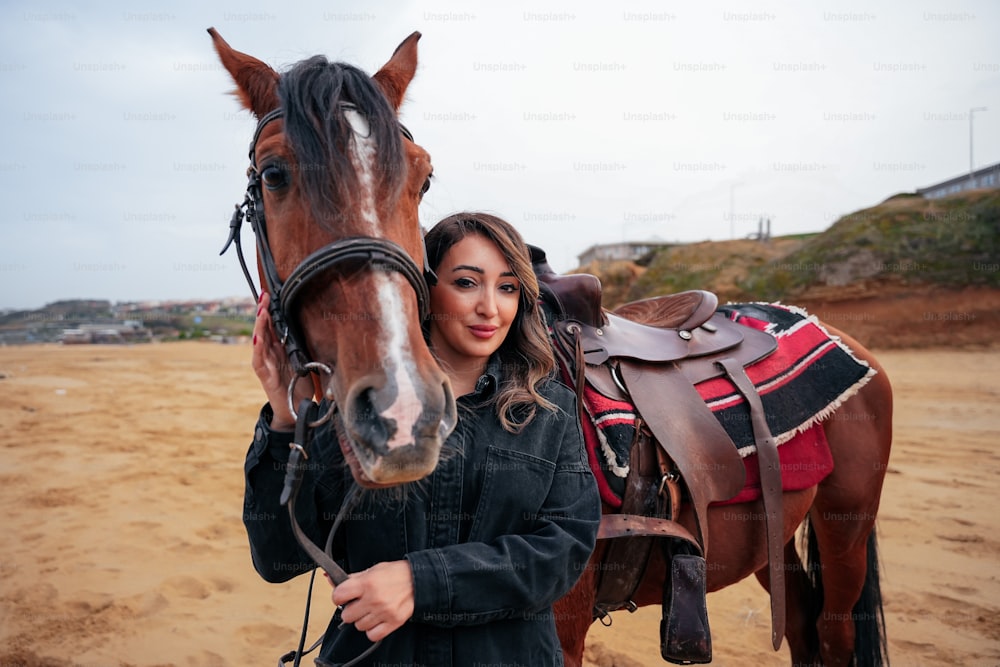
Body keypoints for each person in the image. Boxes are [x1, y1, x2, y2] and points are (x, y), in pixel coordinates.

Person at [244, 212, 601, 666]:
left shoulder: (550, 410)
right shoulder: (358, 406)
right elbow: (278, 560)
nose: (490, 307)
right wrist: (282, 415)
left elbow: (562, 554)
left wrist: (420, 581)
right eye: (467, 283)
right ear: (422, 288)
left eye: (507, 287)